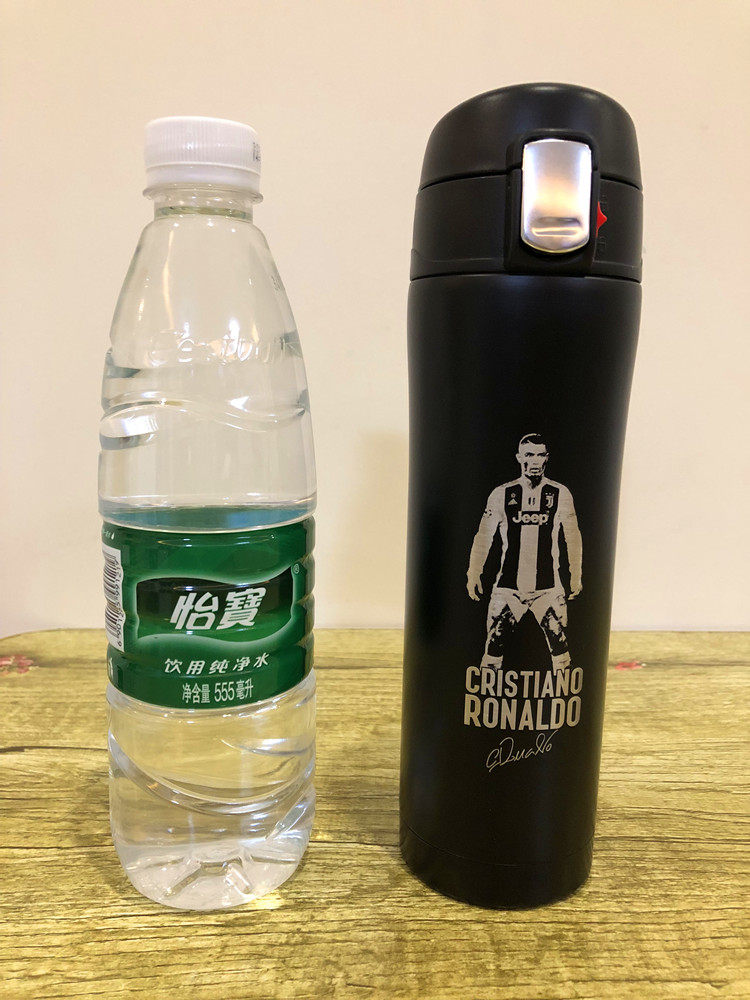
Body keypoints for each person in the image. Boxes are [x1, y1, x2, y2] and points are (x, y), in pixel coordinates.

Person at [467, 433, 582, 672]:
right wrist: (474, 573)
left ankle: (560, 688)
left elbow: (573, 536)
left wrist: (576, 575)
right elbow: (484, 536)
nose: (535, 460)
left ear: (546, 458)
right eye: (529, 454)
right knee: (495, 641)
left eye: (540, 455)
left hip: (547, 587)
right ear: (520, 458)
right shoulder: (502, 494)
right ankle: (489, 687)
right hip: (509, 587)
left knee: (558, 641)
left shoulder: (560, 493)